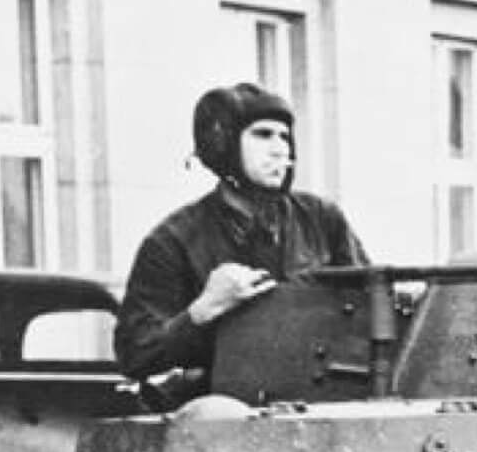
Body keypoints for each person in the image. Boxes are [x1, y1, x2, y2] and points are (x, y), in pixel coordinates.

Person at [115, 82, 368, 387]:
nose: (280, 149)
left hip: (319, 394)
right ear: (222, 143)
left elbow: (371, 304)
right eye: (263, 135)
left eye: (285, 137)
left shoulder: (321, 220)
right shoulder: (173, 242)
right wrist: (202, 310)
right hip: (220, 407)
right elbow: (135, 353)